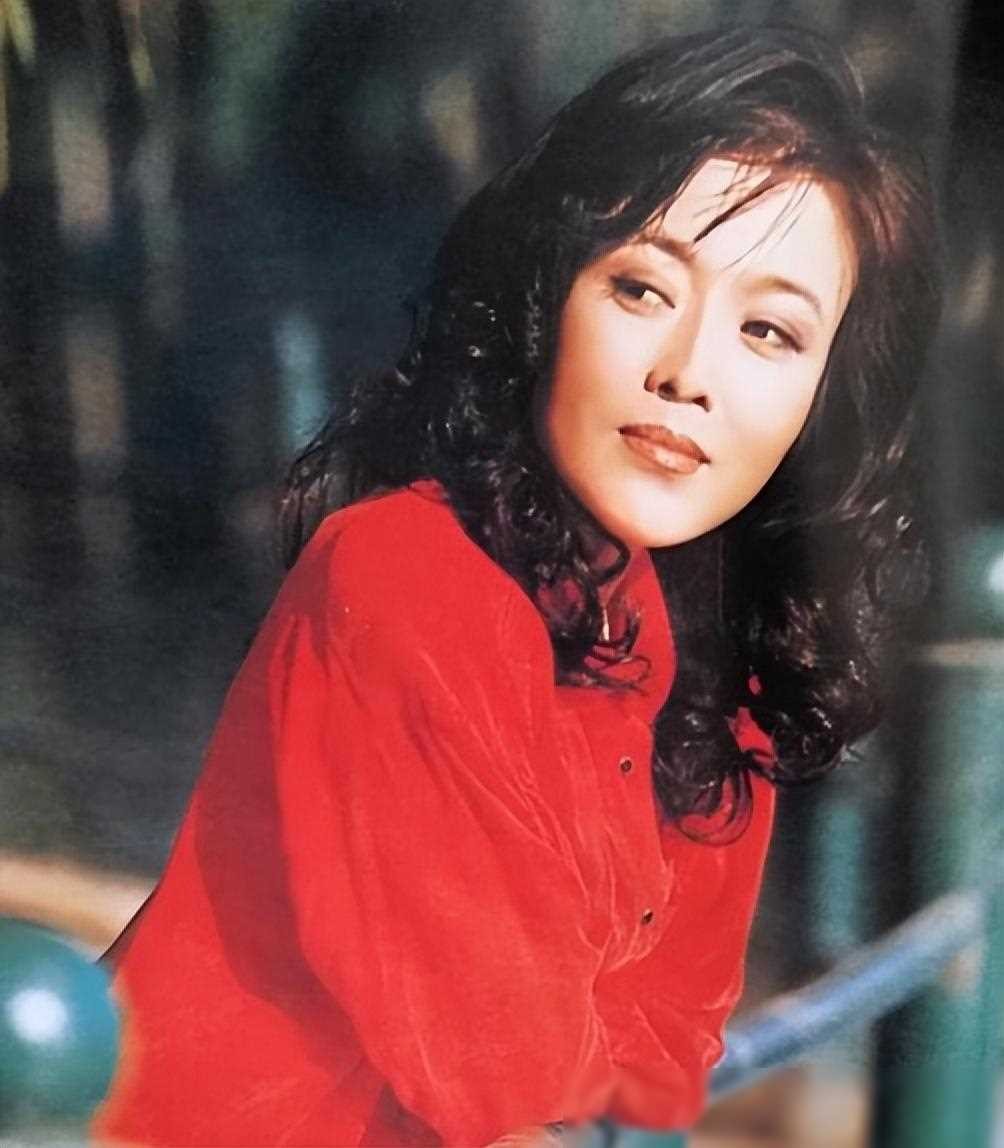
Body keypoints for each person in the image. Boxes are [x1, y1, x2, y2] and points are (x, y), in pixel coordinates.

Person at [93, 24, 940, 1148]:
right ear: (547, 300)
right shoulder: (402, 574)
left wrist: (582, 1066)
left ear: (822, 400)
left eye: (768, 330)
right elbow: (494, 1065)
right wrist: (579, 1063)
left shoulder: (712, 667)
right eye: (641, 286)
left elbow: (664, 1061)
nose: (687, 372)